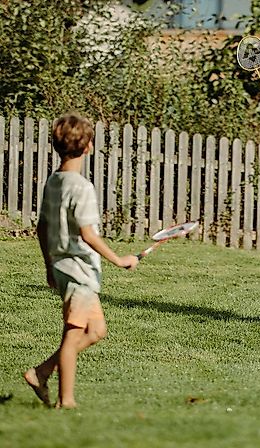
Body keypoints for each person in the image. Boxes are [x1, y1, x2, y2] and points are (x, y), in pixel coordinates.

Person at [24, 112, 139, 409]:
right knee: (72, 337)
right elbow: (88, 234)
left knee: (96, 331)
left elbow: (42, 228)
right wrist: (119, 260)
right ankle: (66, 401)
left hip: (62, 267)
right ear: (88, 146)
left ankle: (42, 372)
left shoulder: (53, 181)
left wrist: (48, 266)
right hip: (79, 270)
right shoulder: (82, 187)